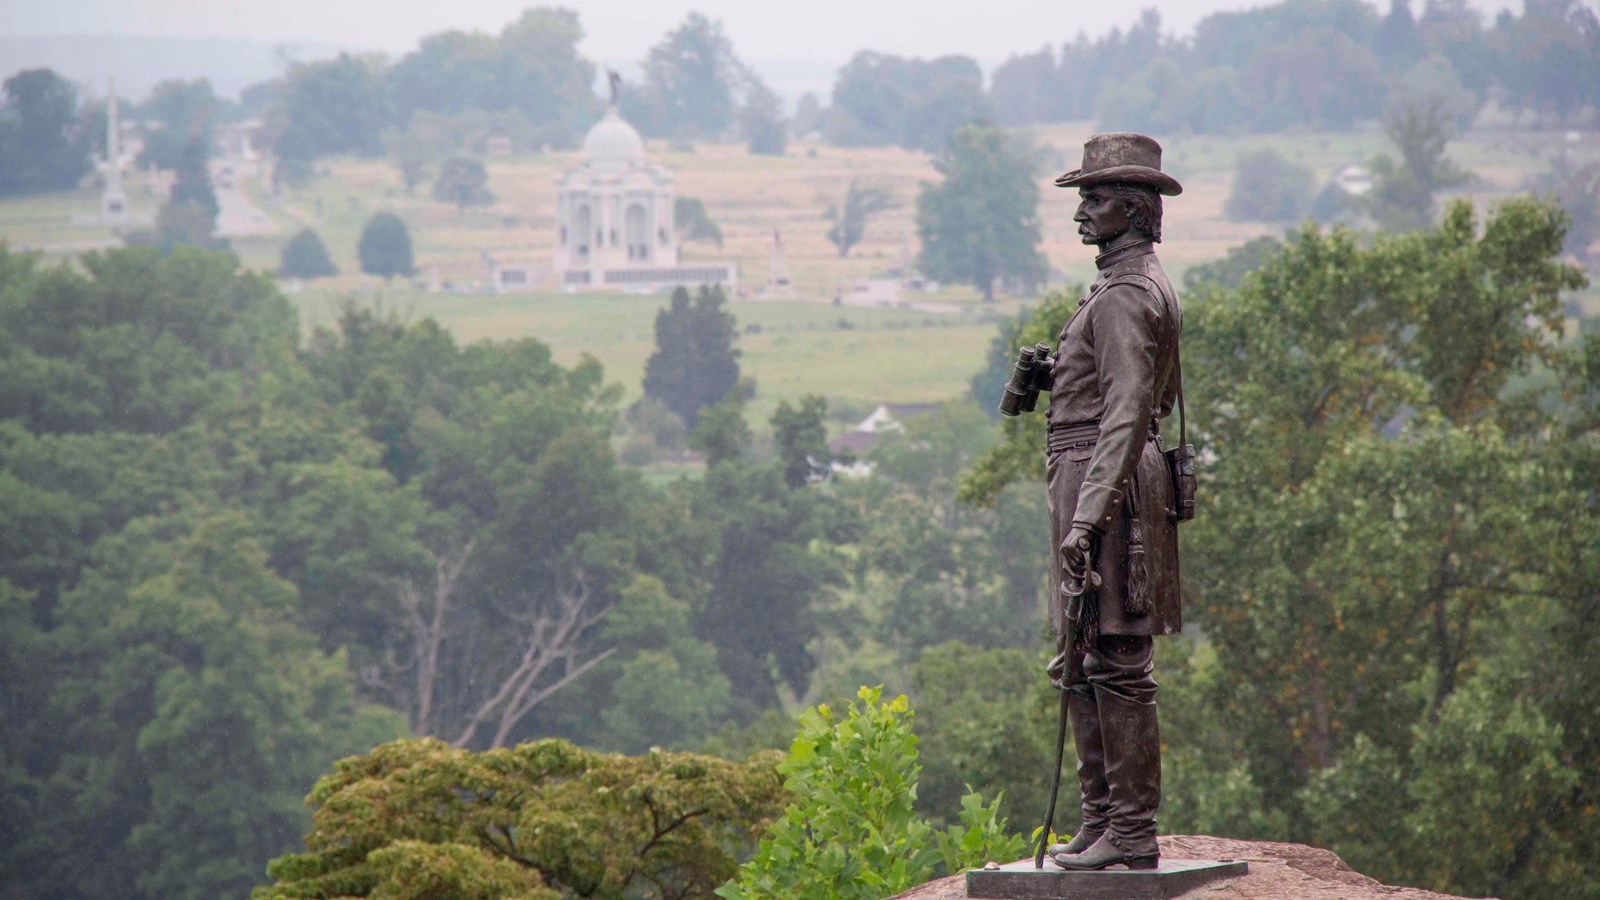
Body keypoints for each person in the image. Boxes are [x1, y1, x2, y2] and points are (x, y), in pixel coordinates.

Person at [1042, 132, 1184, 871]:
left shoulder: (1128, 294)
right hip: (1096, 474)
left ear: (1133, 207)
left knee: (1118, 659)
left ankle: (1129, 833)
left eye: (1094, 199)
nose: (1081, 211)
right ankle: (1102, 822)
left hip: (1110, 485)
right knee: (1083, 652)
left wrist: (1088, 513)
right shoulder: (1118, 286)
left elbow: (1129, 410)